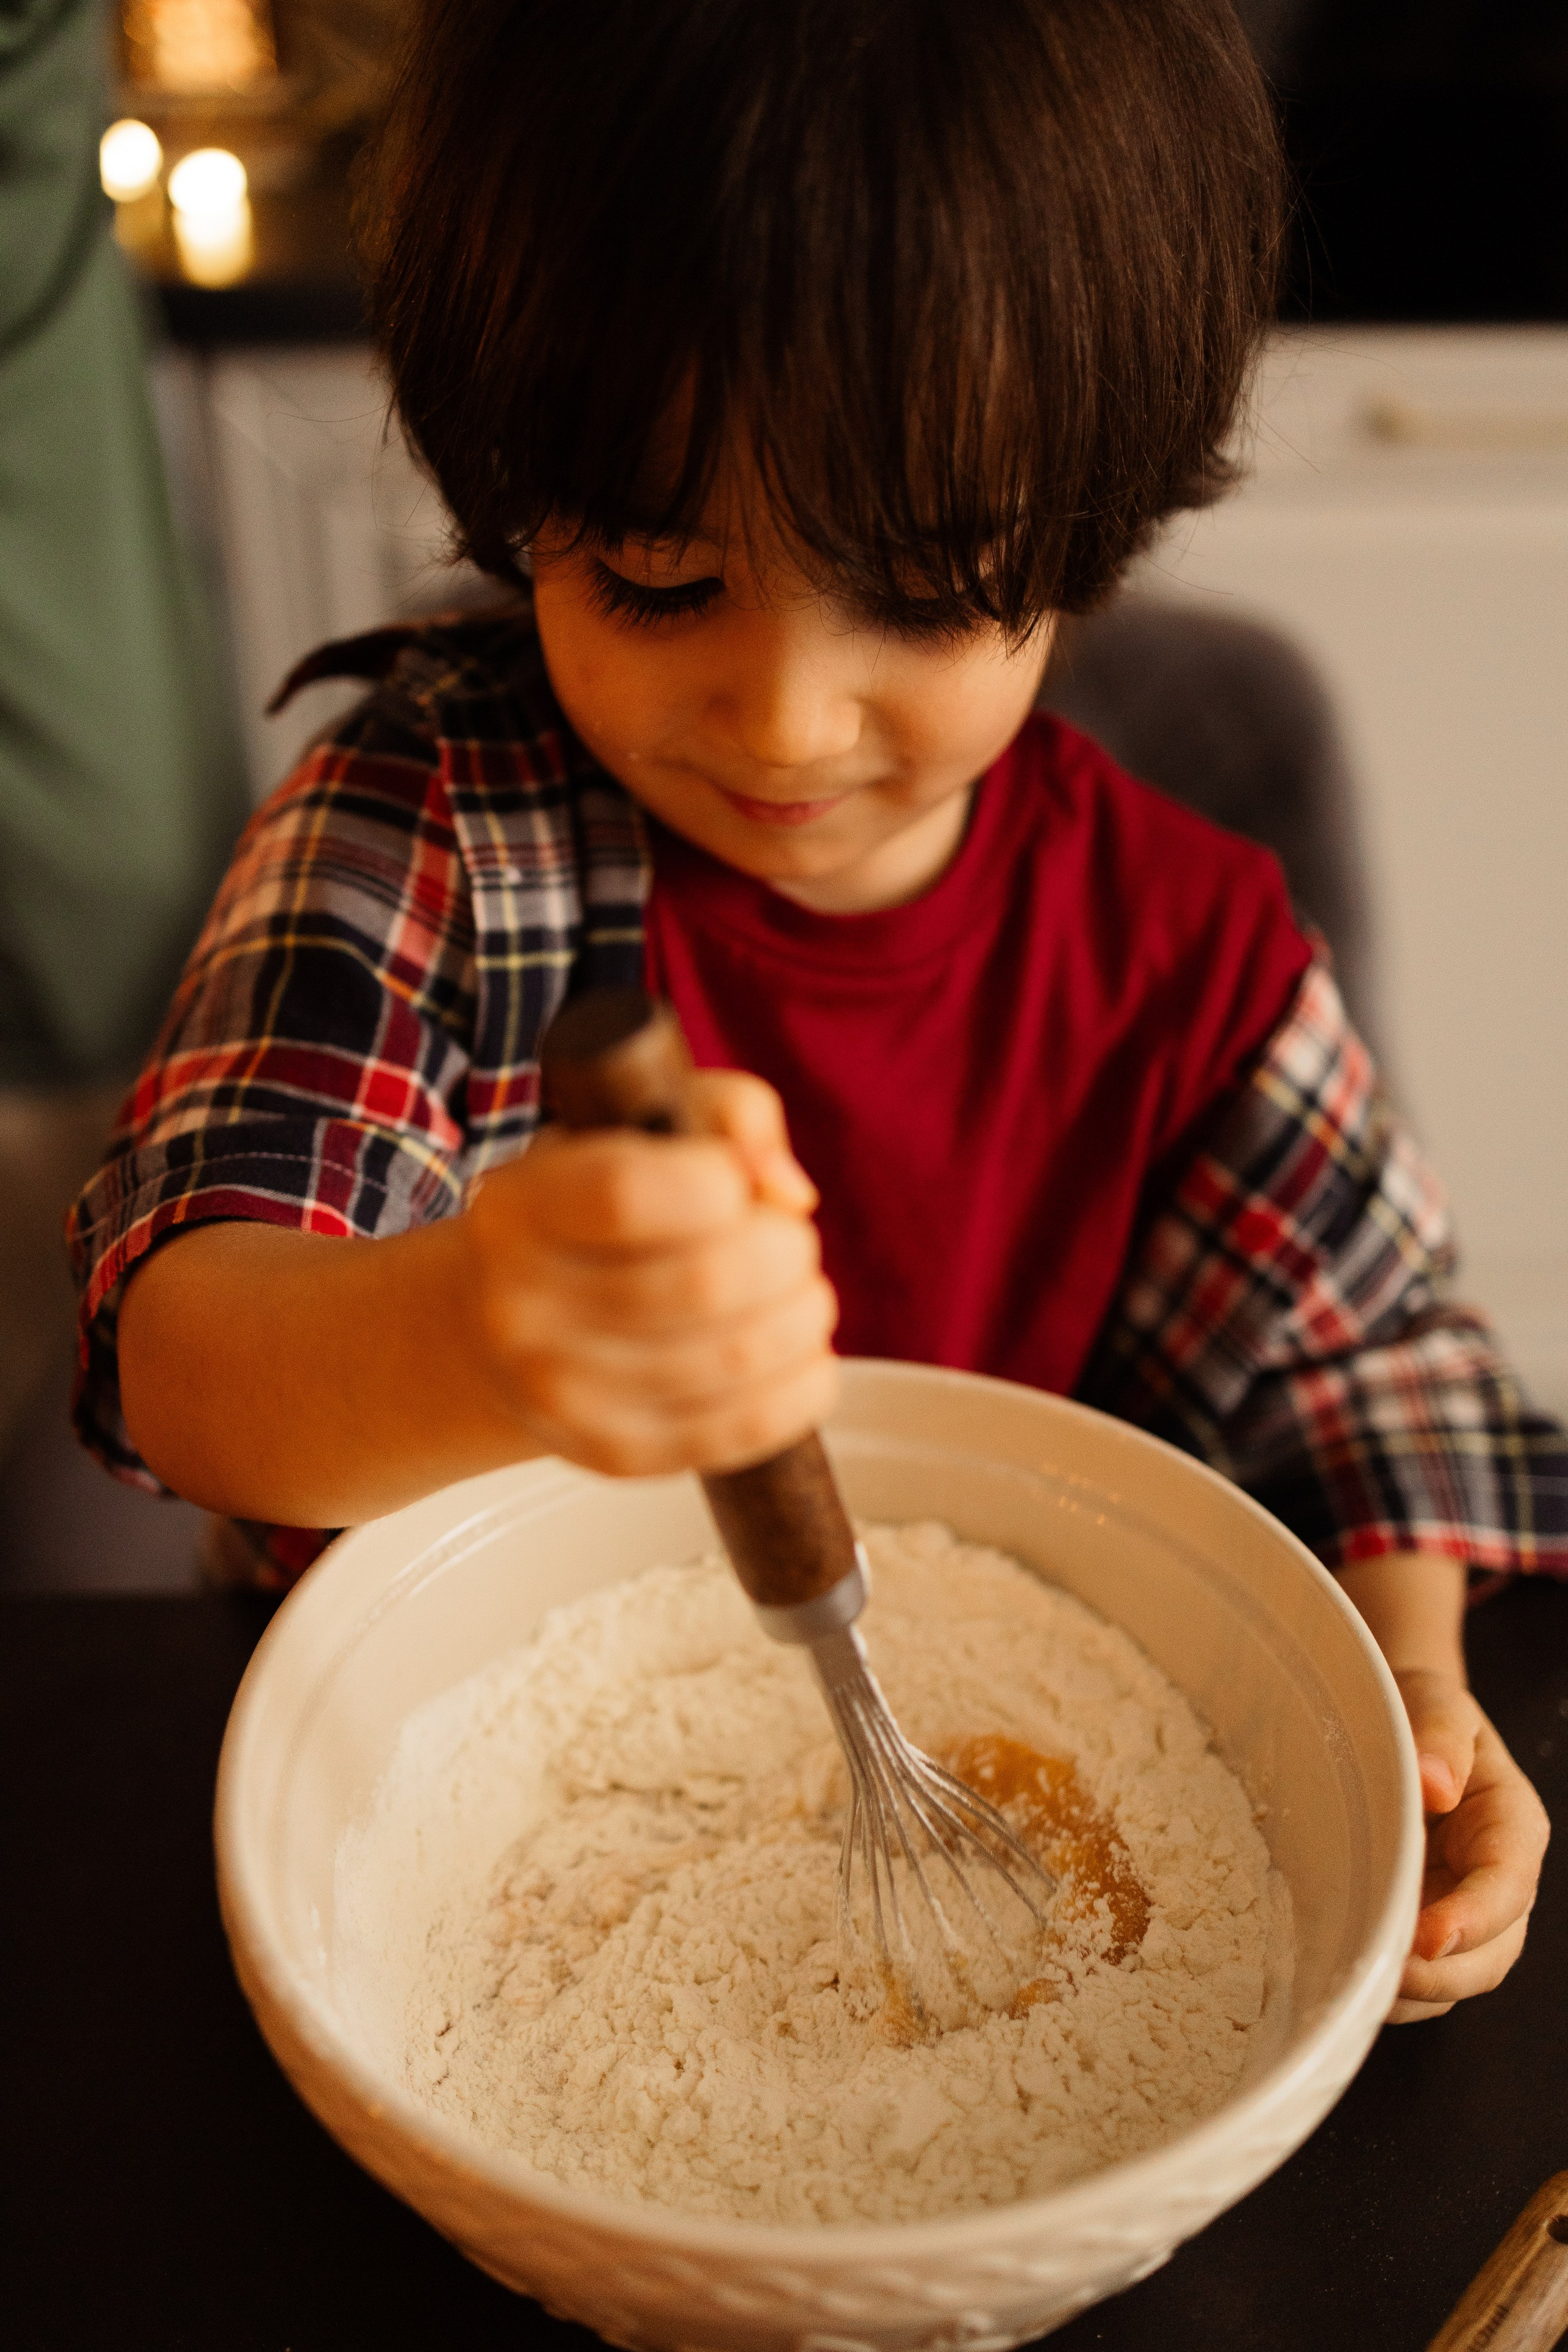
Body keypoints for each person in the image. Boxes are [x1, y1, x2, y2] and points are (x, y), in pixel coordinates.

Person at [69, 0, 1558, 2019]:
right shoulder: (432, 837)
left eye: (929, 597)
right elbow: (188, 1352)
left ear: (1096, 539)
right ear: (521, 504)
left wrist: (1411, 1681)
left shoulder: (1184, 944)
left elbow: (1363, 1360)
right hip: (430, 1820)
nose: (782, 717)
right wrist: (476, 1333)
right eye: (663, 580)